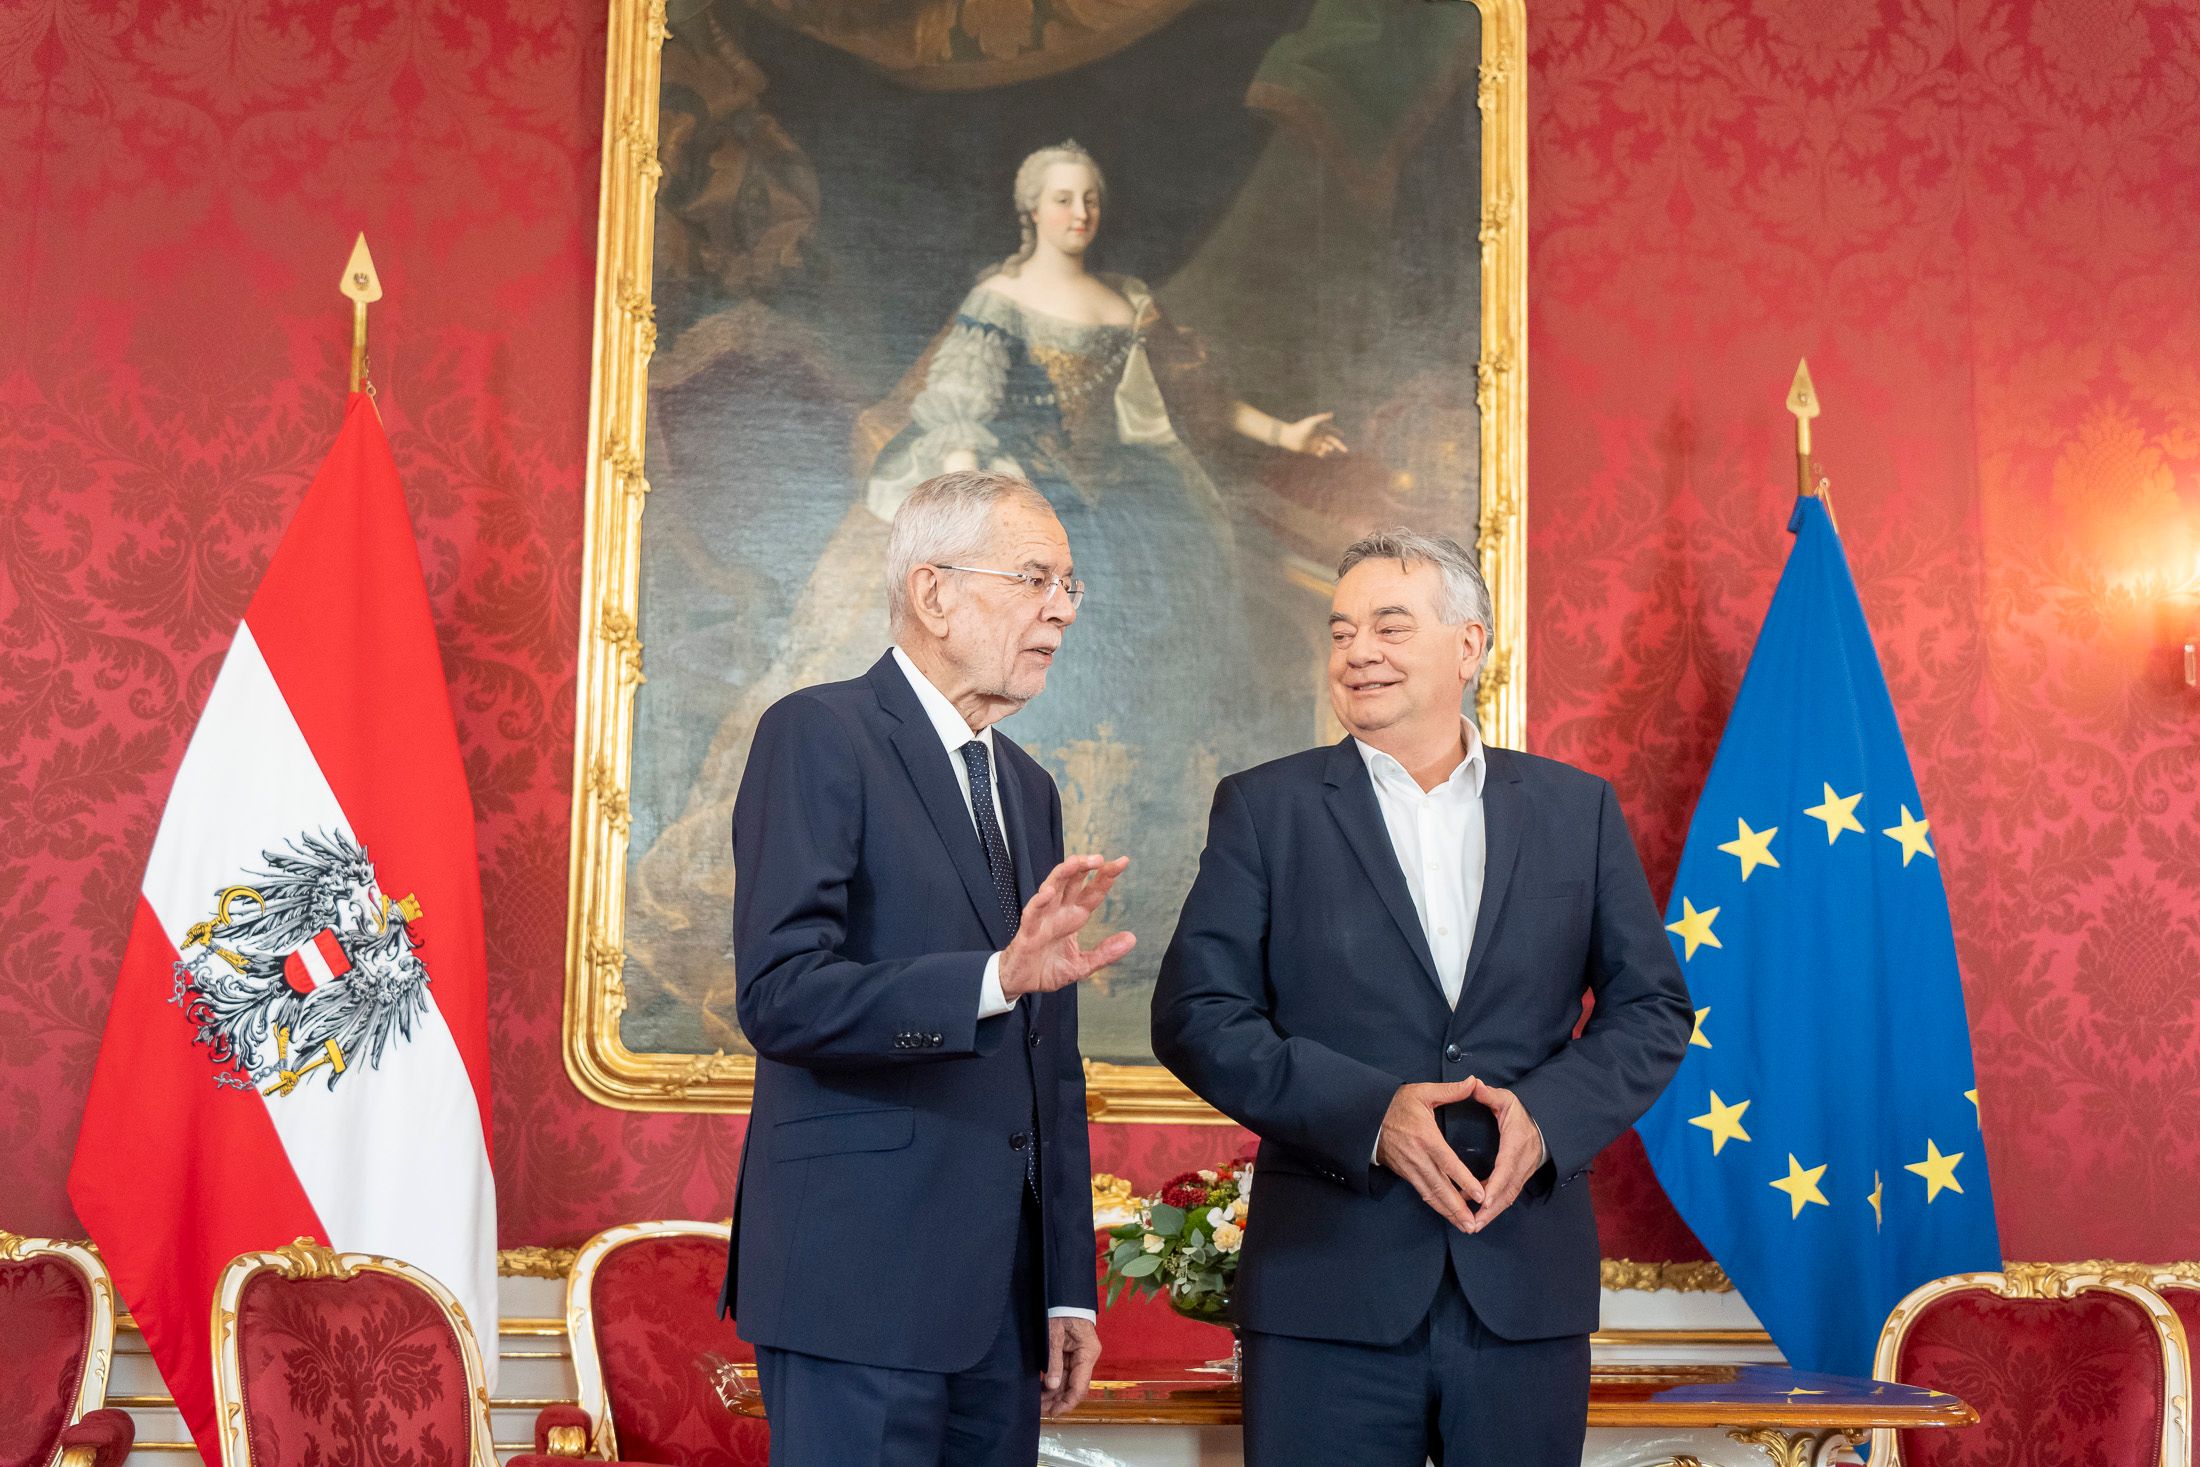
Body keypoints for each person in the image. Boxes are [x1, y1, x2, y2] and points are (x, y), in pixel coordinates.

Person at [1151, 528, 1693, 1467]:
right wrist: (1372, 1115)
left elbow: (1653, 1008)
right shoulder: (1265, 809)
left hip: (1522, 1290)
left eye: (1389, 625)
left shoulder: (1577, 810)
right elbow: (1195, 1012)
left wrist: (1551, 1115)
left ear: (1470, 645)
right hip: (1326, 1295)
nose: (1357, 650)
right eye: (1341, 630)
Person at [722, 469, 1135, 1466]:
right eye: (1035, 579)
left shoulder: (1027, 785)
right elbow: (781, 996)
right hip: (856, 1286)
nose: (1060, 611)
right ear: (933, 591)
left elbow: (1050, 1064)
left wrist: (1064, 1283)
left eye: (1070, 588)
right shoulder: (818, 733)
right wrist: (990, 980)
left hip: (999, 1303)